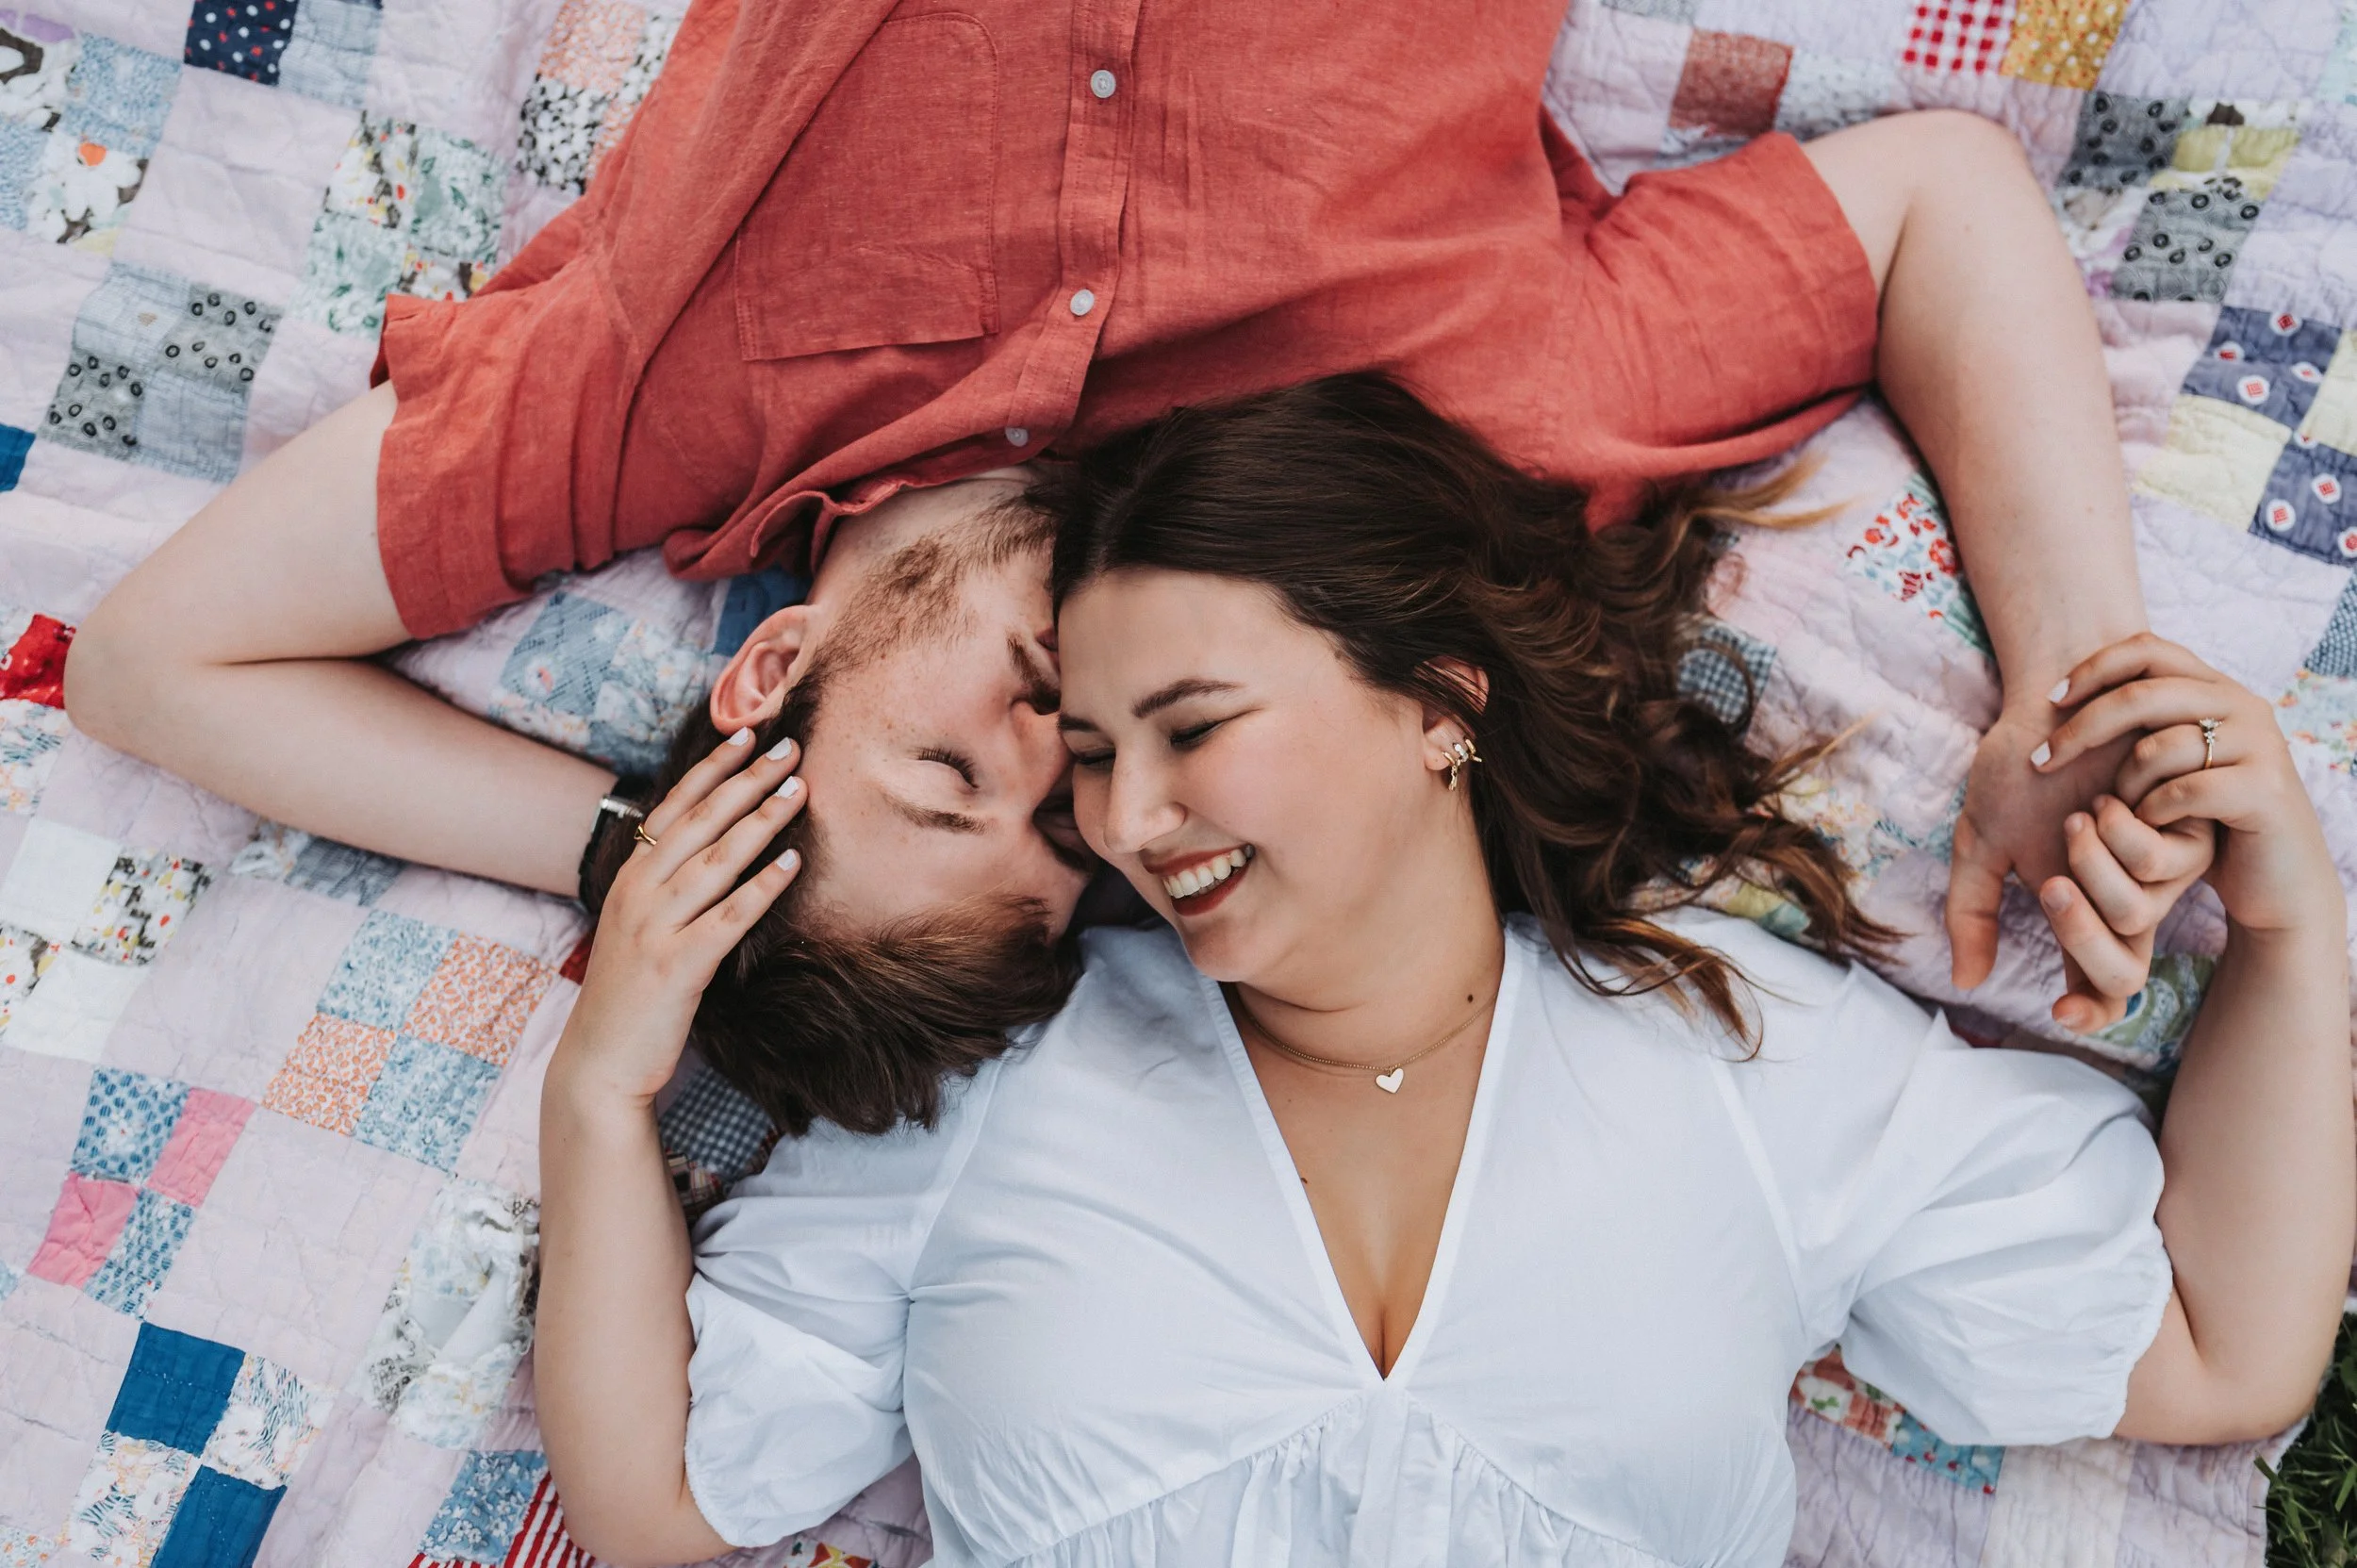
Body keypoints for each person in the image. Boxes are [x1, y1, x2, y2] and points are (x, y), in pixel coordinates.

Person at [531, 377, 2352, 1566]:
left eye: (1193, 726)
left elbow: (2219, 1346)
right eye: (1089, 753)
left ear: (1435, 707)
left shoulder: (1742, 1053)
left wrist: (2285, 926)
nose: (1126, 820)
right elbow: (658, 1500)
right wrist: (605, 1092)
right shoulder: (998, 1089)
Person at [63, 0, 2161, 1027]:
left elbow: (155, 659)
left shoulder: (647, 406)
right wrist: (2065, 682)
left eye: (941, 778)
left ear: (773, 672)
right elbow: (1936, 205)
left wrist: (647, 861)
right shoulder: (1435, 446)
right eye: (1068, 816)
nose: (1053, 747)